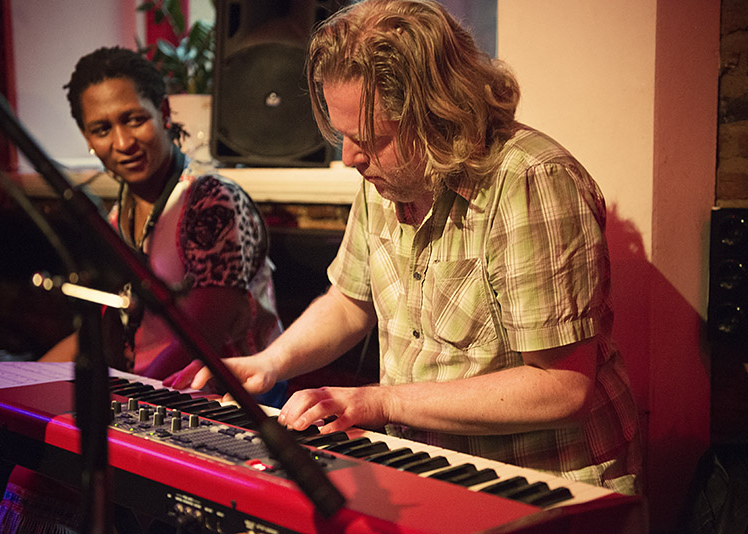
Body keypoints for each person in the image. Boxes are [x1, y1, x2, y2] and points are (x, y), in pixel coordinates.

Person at [166, 0, 642, 496]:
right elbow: (349, 303)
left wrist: (382, 401)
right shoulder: (386, 178)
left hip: (545, 486)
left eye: (371, 138)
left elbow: (562, 387)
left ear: (439, 115)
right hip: (434, 470)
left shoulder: (531, 181)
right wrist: (269, 363)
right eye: (343, 135)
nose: (350, 157)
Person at [0, 46, 285, 533]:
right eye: (102, 128)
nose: (122, 142)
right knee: (33, 464)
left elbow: (201, 334)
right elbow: (105, 329)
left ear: (164, 112)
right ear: (87, 138)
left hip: (225, 406)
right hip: (149, 395)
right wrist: (20, 380)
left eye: (134, 119)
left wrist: (113, 394)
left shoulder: (212, 200)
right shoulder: (120, 213)